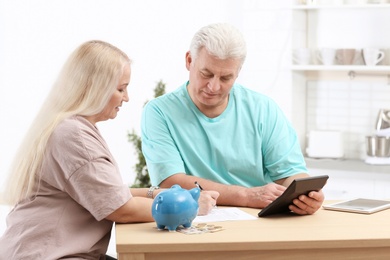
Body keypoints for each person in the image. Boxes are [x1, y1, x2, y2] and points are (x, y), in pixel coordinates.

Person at [0, 40, 219, 259]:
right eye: (121, 89)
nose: (126, 97)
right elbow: (120, 208)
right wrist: (190, 205)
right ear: (96, 88)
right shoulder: (74, 136)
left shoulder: (71, 127)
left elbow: (110, 194)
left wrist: (162, 193)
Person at [141, 23, 324, 215]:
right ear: (189, 60)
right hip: (193, 220)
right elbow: (170, 181)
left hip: (257, 221)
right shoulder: (159, 112)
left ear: (238, 72)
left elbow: (290, 174)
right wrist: (245, 196)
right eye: (206, 74)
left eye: (226, 78)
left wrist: (306, 196)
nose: (213, 86)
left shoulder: (262, 108)